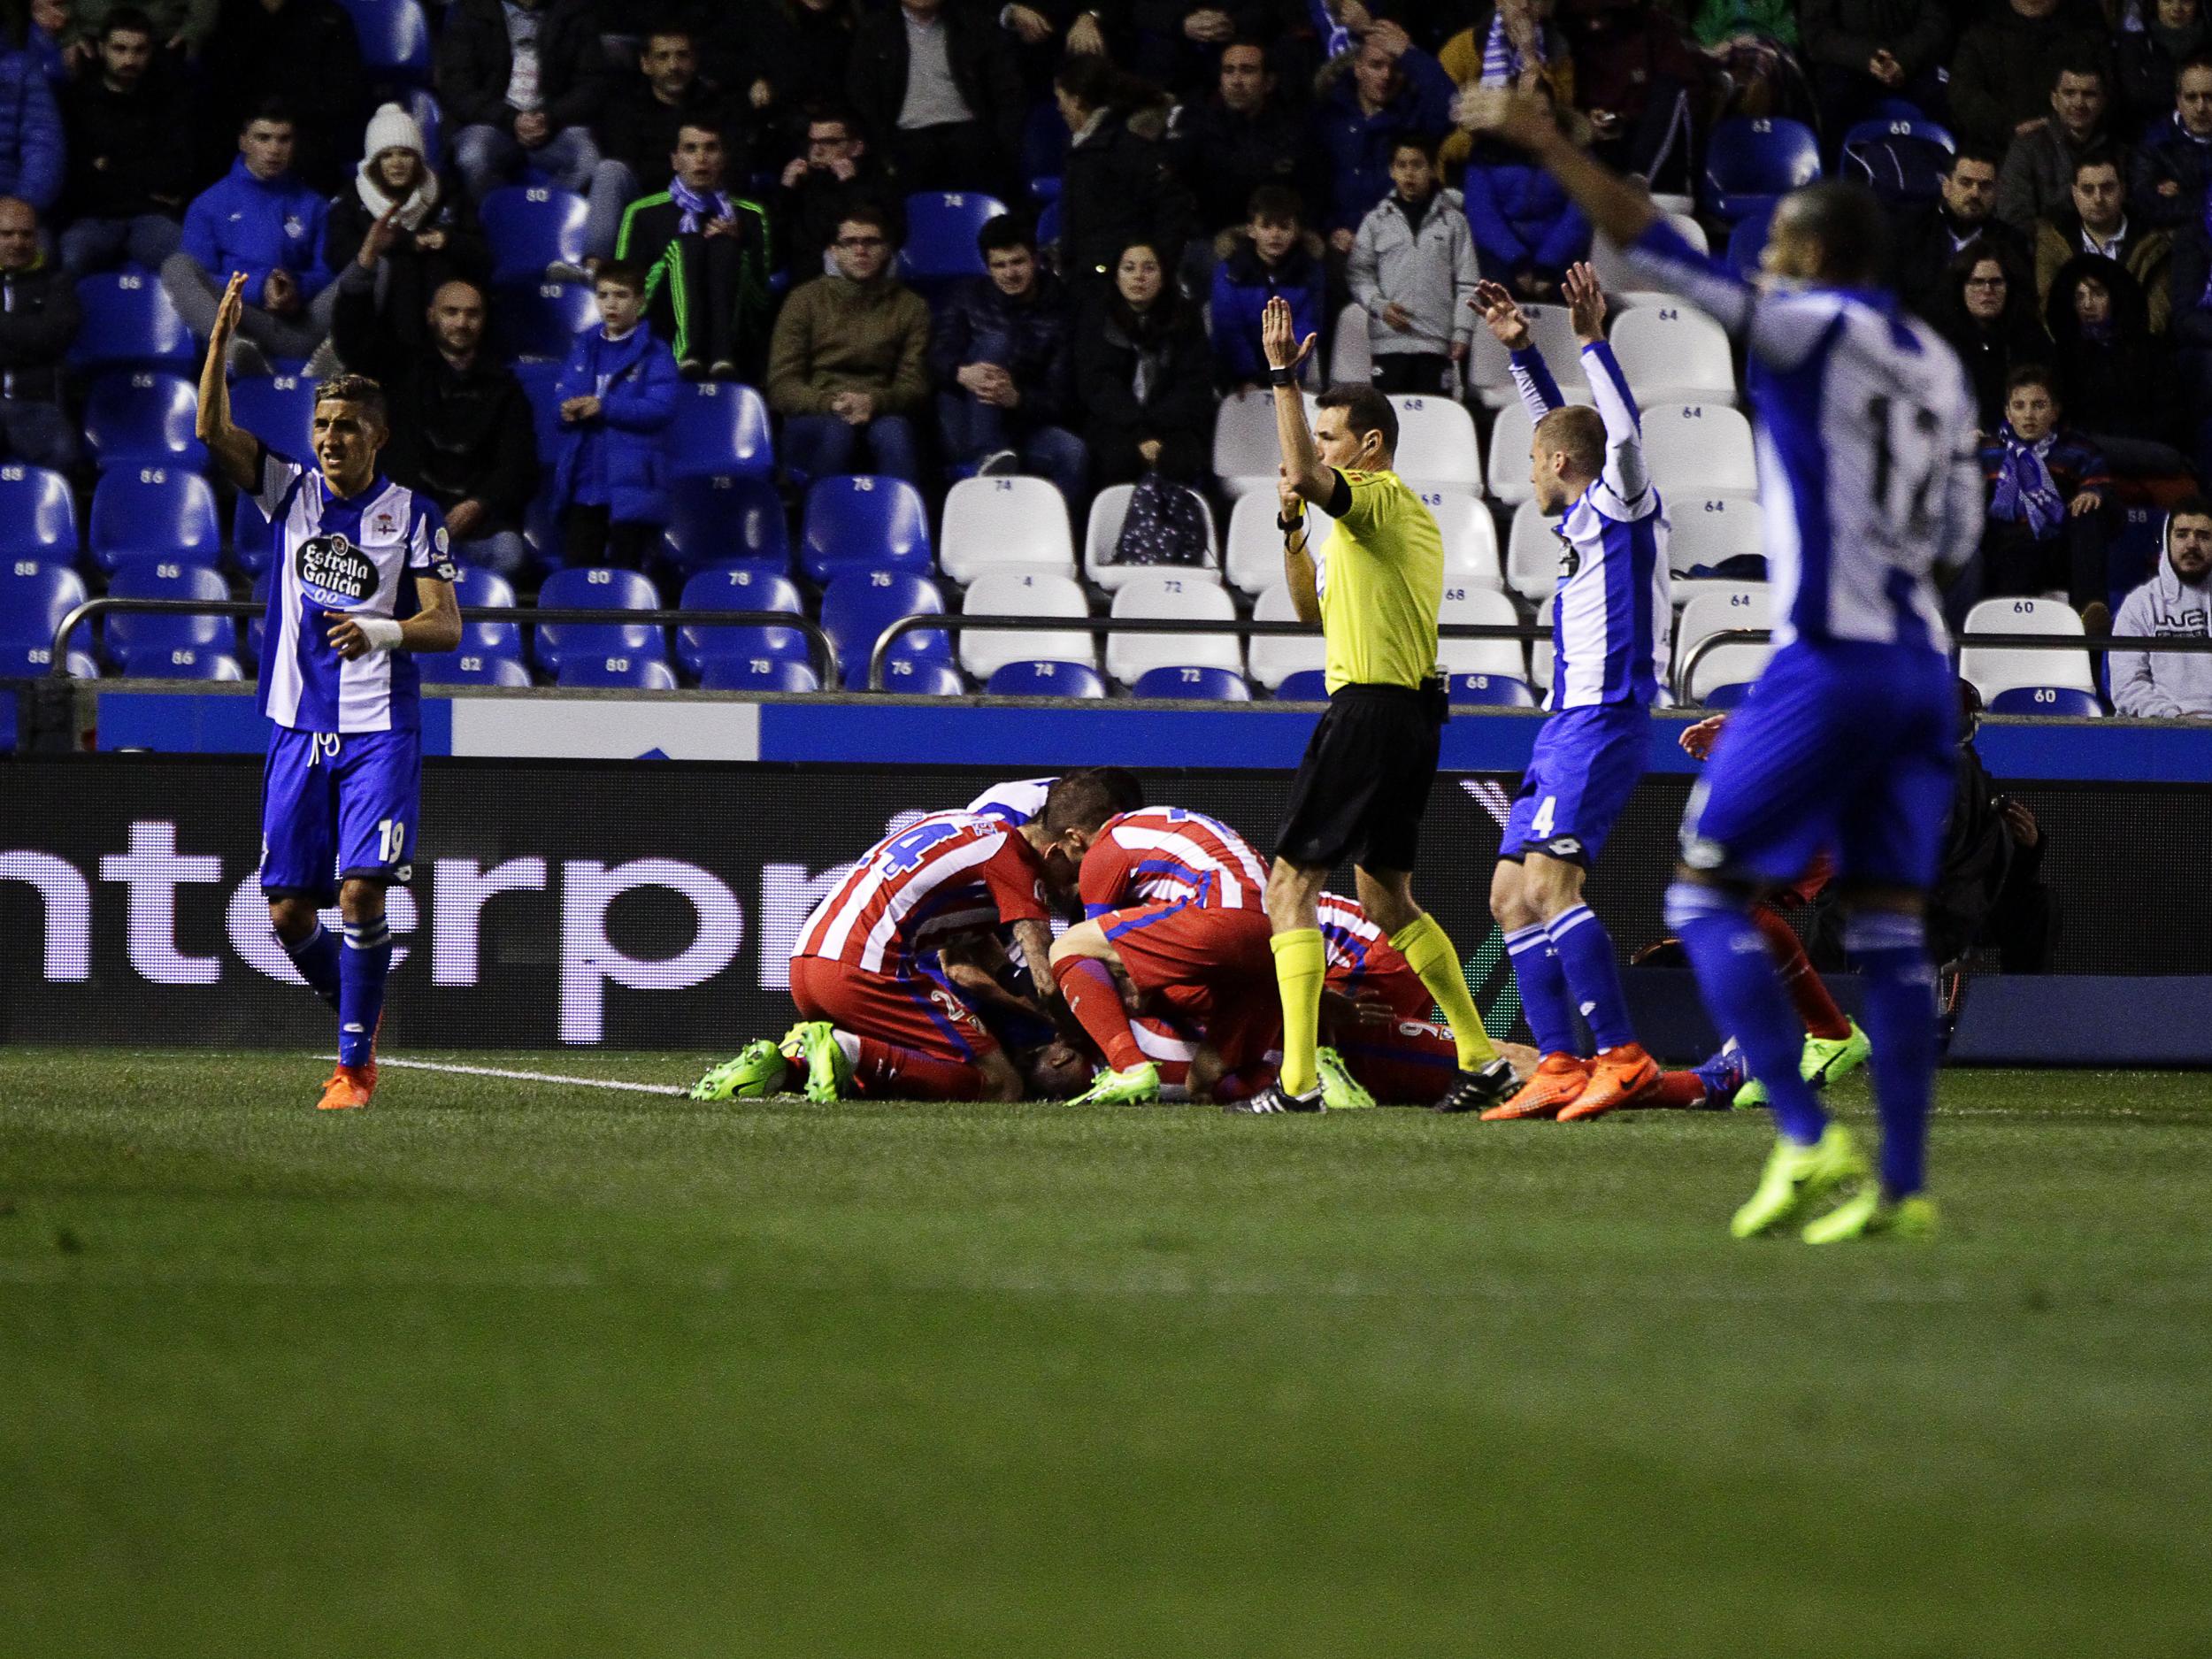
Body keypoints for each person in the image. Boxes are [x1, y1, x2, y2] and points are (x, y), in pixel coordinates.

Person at [1465, 88, 1982, 1240]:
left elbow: (1653, 246)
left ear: (1809, 257)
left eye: (1783, 250)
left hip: (1828, 657)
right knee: (1892, 921)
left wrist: (1549, 140)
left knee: (1706, 895)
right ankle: (1899, 1180)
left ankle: (1802, 1133)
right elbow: (1957, 531)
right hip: (1915, 664)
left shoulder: (1808, 331)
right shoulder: (1941, 372)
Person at [194, 272, 465, 1111]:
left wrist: (380, 628)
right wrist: (217, 347)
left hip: (379, 728)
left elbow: (446, 625)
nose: (329, 438)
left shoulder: (414, 516)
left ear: (377, 438)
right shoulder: (289, 493)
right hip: (292, 726)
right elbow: (212, 429)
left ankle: (353, 1064)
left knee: (358, 891)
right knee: (284, 915)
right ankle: (358, 1009)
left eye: (347, 426)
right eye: (320, 424)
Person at [1244, 298, 1514, 1117]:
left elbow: (1311, 476)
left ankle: (1296, 1085)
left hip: (1367, 711)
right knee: (1385, 898)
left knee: (1289, 884)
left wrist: (1284, 379)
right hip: (1410, 716)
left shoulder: (1383, 502)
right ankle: (1482, 1055)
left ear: (1369, 446)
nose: (1315, 450)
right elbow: (1306, 612)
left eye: (1330, 437)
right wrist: (1292, 526)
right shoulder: (1364, 531)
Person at [1471, 265, 1671, 1123]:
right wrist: (1522, 352)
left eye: (1534, 463)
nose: (1529, 473)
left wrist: (1591, 340)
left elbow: (1612, 436)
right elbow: (1558, 429)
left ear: (1557, 467)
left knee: (1554, 887)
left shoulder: (1624, 503)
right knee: (1509, 896)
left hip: (1605, 717)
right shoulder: (1579, 512)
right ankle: (1555, 1062)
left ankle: (1620, 1056)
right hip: (1563, 726)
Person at [687, 775, 1122, 1104]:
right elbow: (1047, 978)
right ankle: (845, 1050)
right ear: (1058, 848)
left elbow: (975, 957)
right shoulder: (1015, 864)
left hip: (808, 962)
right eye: (1078, 875)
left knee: (928, 1064)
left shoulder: (959, 823)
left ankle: (786, 1066)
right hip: (865, 970)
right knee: (1000, 1084)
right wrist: (1095, 1038)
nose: (1077, 889)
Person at [1047, 803, 1300, 1107]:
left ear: (1075, 837)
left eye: (1059, 850)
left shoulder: (1106, 847)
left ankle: (1129, 1068)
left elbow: (1094, 946)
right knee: (1204, 1083)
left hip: (1220, 917)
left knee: (1068, 945)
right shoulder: (1168, 827)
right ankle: (1299, 1087)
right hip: (1277, 940)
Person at [331, 237, 537, 578]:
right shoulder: (400, 371)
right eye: (451, 312)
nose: (461, 323)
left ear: (484, 320)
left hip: (477, 526)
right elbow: (353, 340)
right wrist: (364, 268)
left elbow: (517, 464)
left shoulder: (505, 388)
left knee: (510, 555)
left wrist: (478, 504)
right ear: (432, 316)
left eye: (472, 314)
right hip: (406, 521)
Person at [438, 0, 629, 265]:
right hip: (493, 124)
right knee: (473, 156)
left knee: (588, 159)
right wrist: (511, 118)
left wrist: (550, 116)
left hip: (556, 125)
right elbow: (457, 88)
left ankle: (539, 222)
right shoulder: (472, 12)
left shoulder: (574, 13)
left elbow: (591, 84)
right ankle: (509, 229)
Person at [162, 103, 338, 374]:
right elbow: (203, 278)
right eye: (263, 138)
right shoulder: (209, 204)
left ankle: (334, 356)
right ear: (243, 142)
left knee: (372, 265)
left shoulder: (315, 204)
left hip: (303, 321)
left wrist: (297, 288)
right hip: (244, 321)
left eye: (284, 139)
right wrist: (258, 287)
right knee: (177, 266)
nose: (274, 149)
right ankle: (235, 354)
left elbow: (326, 273)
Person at [766, 203, 931, 487]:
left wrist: (874, 402)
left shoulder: (912, 307)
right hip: (818, 410)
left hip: (880, 409)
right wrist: (831, 403)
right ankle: (818, 523)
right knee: (836, 431)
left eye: (871, 242)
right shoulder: (804, 300)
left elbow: (914, 385)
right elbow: (782, 385)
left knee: (895, 433)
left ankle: (902, 525)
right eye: (850, 242)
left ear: (887, 249)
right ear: (833, 250)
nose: (860, 251)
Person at [928, 214, 1086, 503]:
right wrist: (962, 373)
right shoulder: (966, 296)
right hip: (964, 419)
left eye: (1017, 262)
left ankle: (1063, 540)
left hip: (1021, 424)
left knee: (1073, 452)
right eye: (999, 265)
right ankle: (988, 453)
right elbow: (935, 357)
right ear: (987, 267)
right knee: (997, 341)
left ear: (1036, 259)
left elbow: (1063, 398)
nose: (1009, 273)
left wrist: (1017, 398)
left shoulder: (1062, 310)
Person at [323, 104, 493, 358]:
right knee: (394, 265)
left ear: (419, 158)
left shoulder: (446, 191)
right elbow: (338, 256)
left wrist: (447, 240)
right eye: (387, 155)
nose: (397, 163)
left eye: (405, 154)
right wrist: (401, 243)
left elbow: (481, 254)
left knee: (439, 262)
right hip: (378, 317)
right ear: (374, 162)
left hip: (441, 308)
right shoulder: (352, 198)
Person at [614, 119, 774, 381]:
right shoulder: (643, 213)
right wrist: (676, 256)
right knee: (688, 245)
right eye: (691, 149)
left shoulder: (750, 215)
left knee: (724, 247)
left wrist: (741, 248)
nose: (701, 158)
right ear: (675, 160)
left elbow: (761, 301)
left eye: (711, 149)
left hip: (735, 339)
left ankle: (722, 354)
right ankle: (688, 352)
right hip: (661, 333)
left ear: (724, 159)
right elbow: (625, 299)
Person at [549, 261, 680, 569]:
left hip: (632, 488)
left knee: (628, 578)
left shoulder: (656, 353)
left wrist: (604, 407)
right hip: (585, 484)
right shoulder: (584, 345)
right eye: (603, 295)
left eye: (621, 295)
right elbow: (562, 397)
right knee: (577, 577)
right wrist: (565, 409)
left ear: (640, 301)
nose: (611, 303)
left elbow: (661, 408)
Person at [56, 4, 189, 276]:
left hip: (151, 217)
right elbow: (76, 176)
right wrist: (140, 172)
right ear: (102, 48)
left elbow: (174, 172)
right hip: (95, 218)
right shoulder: (77, 99)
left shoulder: (168, 99)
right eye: (120, 49)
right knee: (69, 258)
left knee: (190, 262)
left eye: (139, 50)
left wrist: (108, 166)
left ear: (151, 51)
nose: (130, 59)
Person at [1973, 364, 2112, 623]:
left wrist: (2091, 491)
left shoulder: (2077, 448)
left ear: (2055, 411)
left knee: (2090, 514)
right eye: (2020, 405)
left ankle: (2089, 613)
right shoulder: (1989, 449)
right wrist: (1960, 448)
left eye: (2038, 405)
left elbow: (2098, 478)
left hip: (2058, 543)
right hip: (2007, 545)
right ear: (2008, 412)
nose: (2029, 415)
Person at [844, 0, 1023, 196]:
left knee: (978, 152)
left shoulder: (972, 25)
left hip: (967, 128)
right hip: (907, 133)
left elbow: (1006, 90)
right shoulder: (875, 31)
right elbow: (862, 95)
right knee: (912, 158)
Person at [1311, 18, 1457, 256]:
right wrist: (1330, 229)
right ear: (1357, 68)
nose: (1387, 75)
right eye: (1376, 65)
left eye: (1396, 67)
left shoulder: (1415, 116)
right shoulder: (1329, 114)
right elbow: (1314, 182)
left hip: (1402, 245)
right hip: (1338, 244)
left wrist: (1409, 53)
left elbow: (1451, 105)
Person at [1076, 240, 1215, 488]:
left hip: (1174, 424)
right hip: (1117, 425)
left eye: (1149, 268)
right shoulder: (1096, 319)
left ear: (1163, 277)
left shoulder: (1186, 318)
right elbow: (1098, 386)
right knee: (1117, 459)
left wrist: (1153, 430)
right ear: (1116, 278)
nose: (1139, 277)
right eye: (1129, 268)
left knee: (1181, 460)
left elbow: (1194, 384)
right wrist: (1140, 433)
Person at [1347, 136, 1479, 396]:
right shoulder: (1376, 222)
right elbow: (1359, 272)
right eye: (1402, 164)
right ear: (1391, 171)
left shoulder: (1454, 222)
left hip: (1436, 343)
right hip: (1388, 344)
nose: (1409, 172)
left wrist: (1462, 332)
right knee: (1389, 424)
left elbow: (1467, 283)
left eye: (1417, 165)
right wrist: (1379, 305)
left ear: (1431, 169)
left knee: (1433, 421)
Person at [1053, 54, 1190, 295]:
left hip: (1115, 288)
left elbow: (1172, 210)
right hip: (1094, 281)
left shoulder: (1124, 147)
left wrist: (1153, 273)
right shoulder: (1087, 147)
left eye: (1060, 98)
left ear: (1075, 100)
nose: (1058, 107)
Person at [1166, 38, 1317, 255]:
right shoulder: (1196, 128)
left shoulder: (1295, 132)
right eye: (1229, 71)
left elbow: (1311, 195)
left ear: (1269, 82)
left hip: (1278, 243)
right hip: (1212, 240)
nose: (1236, 80)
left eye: (1247, 71)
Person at [198, 0, 363, 196]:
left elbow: (344, 95)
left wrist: (287, 119)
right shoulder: (230, 16)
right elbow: (219, 88)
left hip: (306, 133)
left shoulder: (330, 18)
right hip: (239, 128)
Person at [2043, 254, 2182, 474]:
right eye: (2079, 297)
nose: (2087, 304)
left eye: (2097, 294)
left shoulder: (2149, 350)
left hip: (2146, 449)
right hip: (2083, 452)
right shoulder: (2061, 356)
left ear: (2115, 297)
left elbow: (2169, 413)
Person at [596, 24, 746, 203]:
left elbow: (737, 166)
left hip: (708, 200)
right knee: (610, 171)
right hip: (646, 203)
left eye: (682, 55)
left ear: (695, 61)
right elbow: (629, 167)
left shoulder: (720, 106)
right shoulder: (624, 108)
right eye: (663, 57)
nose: (673, 66)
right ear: (645, 64)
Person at [1462, 100, 1592, 301]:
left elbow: (1578, 214)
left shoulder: (1576, 154)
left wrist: (1548, 264)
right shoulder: (1485, 155)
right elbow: (1482, 213)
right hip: (1502, 259)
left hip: (1560, 259)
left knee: (1571, 283)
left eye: (1545, 113)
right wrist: (1516, 261)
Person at [1947, 0, 2113, 154]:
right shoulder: (1982, 20)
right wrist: (2011, 128)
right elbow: (1964, 95)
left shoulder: (2087, 21)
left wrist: (2063, 127)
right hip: (1997, 152)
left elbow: (2108, 91)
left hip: (2077, 152)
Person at [1209, 184, 1326, 394]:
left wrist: (1285, 374)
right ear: (1251, 230)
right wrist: (1246, 376)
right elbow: (1229, 328)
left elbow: (1307, 326)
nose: (1275, 234)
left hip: (1291, 375)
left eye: (1283, 227)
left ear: (1296, 231)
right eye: (1266, 226)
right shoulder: (1230, 271)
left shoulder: (1310, 272)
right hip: (1237, 380)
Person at [2033, 156, 2171, 331]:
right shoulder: (2052, 241)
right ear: (2075, 194)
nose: (2098, 198)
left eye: (2107, 188)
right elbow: (2049, 309)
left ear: (2122, 190)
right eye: (2088, 189)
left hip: (2134, 351)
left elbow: (2156, 316)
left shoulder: (2154, 244)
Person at [1893, 146, 2029, 323]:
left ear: (1996, 193)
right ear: (1947, 187)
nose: (1975, 193)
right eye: (1965, 183)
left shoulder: (2012, 242)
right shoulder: (1909, 233)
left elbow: (2020, 309)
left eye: (1985, 186)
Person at [1935, 242, 2051, 435]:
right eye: (1977, 282)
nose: (1987, 290)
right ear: (1961, 287)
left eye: (1996, 282)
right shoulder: (1941, 341)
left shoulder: (2031, 336)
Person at [0, 197, 81, 472]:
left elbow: (51, 338)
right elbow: (37, 338)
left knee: (65, 457)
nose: (17, 242)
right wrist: (27, 335)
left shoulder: (57, 283)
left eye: (26, 234)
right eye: (7, 234)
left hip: (36, 405)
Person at [2112, 496, 2212, 716]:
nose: (2192, 544)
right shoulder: (2140, 604)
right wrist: (2171, 718)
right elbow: (2127, 684)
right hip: (2163, 729)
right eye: (2182, 534)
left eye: (2203, 536)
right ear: (2167, 541)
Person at [1798, 0, 1951, 141]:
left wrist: (1903, 60)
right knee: (1833, 100)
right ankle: (1835, 168)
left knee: (1948, 101)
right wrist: (1868, 57)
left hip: (1913, 64)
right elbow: (1818, 34)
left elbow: (1937, 23)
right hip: (1850, 65)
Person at [1993, 62, 2116, 237]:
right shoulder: (2026, 147)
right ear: (2054, 99)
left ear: (2103, 102)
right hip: (2040, 252)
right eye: (2069, 93)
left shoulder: (2117, 150)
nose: (2079, 103)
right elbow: (2014, 214)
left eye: (2089, 94)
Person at [776, 103, 895, 281]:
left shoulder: (876, 180)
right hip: (809, 270)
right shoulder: (802, 181)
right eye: (813, 142)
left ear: (857, 147)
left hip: (860, 264)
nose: (817, 150)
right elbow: (780, 235)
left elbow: (880, 233)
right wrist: (786, 190)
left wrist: (850, 185)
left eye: (829, 142)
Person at [2129, 52, 2212, 231]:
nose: (2201, 108)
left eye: (2209, 97)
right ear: (2179, 100)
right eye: (2191, 97)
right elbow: (2149, 207)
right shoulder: (2153, 143)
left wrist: (2183, 195)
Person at [2118, 0, 2207, 134]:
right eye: (2167, 0)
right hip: (2146, 139)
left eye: (2186, 1)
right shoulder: (2135, 46)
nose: (2177, 8)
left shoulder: (2206, 47)